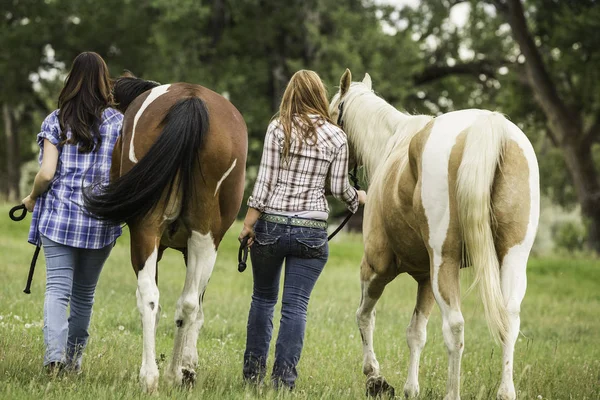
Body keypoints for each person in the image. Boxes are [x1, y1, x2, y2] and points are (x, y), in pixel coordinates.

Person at [238, 69, 367, 389]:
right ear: (320, 96)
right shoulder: (337, 136)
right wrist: (358, 198)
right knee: (295, 307)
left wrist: (248, 224)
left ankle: (252, 378)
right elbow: (339, 188)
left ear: (291, 94)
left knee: (263, 300)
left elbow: (265, 182)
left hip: (272, 226)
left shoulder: (277, 128)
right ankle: (283, 383)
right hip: (311, 230)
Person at [22, 52, 123, 373]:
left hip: (59, 220)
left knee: (56, 290)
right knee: (83, 297)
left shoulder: (56, 120)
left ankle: (54, 358)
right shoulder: (118, 123)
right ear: (103, 82)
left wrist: (30, 198)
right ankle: (73, 362)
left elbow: (46, 174)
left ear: (72, 80)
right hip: (101, 223)